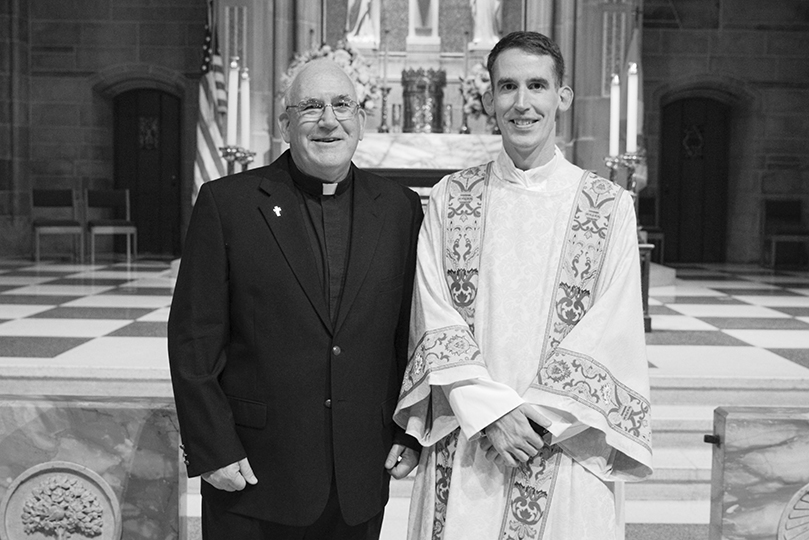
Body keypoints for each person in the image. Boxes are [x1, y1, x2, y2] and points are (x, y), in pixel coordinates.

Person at [394, 31, 653, 540]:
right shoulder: (453, 196)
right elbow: (433, 311)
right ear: (489, 98)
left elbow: (613, 326)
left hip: (564, 441)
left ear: (563, 96)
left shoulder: (607, 205)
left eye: (537, 85)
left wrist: (534, 422)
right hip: (470, 439)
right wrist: (492, 414)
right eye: (507, 86)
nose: (522, 102)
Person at [168, 59, 422, 540]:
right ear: (285, 125)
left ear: (362, 122)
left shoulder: (398, 208)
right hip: (252, 475)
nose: (329, 119)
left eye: (342, 104)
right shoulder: (228, 204)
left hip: (358, 478)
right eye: (310, 107)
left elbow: (411, 334)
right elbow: (193, 339)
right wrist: (212, 448)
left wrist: (409, 430)